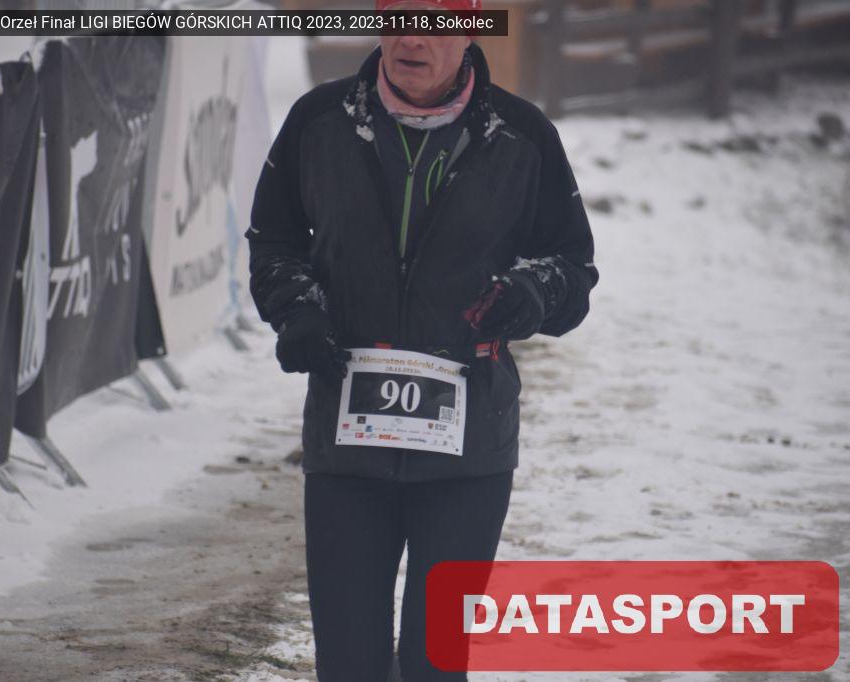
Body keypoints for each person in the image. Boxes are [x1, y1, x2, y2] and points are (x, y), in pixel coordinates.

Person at [246, 0, 598, 677]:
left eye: (436, 23)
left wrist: (533, 291)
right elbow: (275, 240)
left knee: (436, 663)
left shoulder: (522, 136)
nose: (413, 38)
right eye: (399, 17)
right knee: (349, 664)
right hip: (348, 449)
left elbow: (572, 267)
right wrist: (298, 309)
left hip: (468, 456)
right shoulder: (319, 122)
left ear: (469, 34)